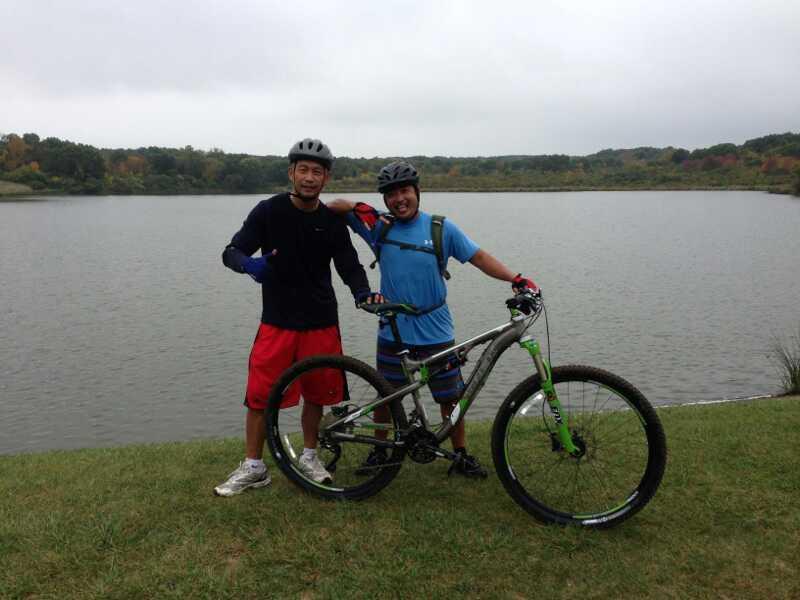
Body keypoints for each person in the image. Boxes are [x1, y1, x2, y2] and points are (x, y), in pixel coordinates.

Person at [327, 160, 539, 477]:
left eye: (405, 191)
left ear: (417, 192)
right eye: (391, 194)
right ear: (385, 200)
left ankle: (461, 455)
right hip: (393, 331)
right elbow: (337, 207)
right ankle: (380, 451)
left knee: (450, 398)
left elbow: (479, 258)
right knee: (387, 399)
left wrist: (517, 278)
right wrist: (358, 207)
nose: (400, 199)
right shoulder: (379, 227)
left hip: (436, 330)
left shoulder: (440, 229)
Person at [214, 138, 381, 496]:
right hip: (277, 321)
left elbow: (349, 265)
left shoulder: (330, 220)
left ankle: (309, 455)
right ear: (291, 173)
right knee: (259, 397)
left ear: (326, 178)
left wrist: (362, 293)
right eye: (302, 170)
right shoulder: (268, 211)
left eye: (316, 172)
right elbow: (231, 251)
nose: (309, 177)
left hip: (321, 321)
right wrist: (248, 265)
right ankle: (254, 466)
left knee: (317, 395)